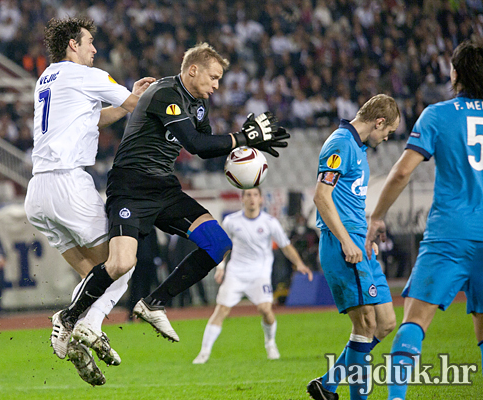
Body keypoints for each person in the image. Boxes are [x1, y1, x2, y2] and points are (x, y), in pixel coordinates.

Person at [55, 42, 290, 360]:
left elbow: (207, 142)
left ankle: (153, 302)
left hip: (164, 188)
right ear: (193, 70)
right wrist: (244, 138)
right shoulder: (165, 93)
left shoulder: (200, 104)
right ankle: (67, 318)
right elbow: (195, 144)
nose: (217, 85)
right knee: (121, 264)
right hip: (131, 185)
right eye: (214, 77)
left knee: (218, 243)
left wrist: (240, 150)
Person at [23, 16, 155, 385]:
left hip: (38, 192)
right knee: (121, 264)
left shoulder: (47, 78)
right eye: (89, 42)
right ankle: (77, 324)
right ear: (72, 45)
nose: (95, 49)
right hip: (70, 185)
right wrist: (144, 97)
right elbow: (136, 104)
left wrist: (129, 102)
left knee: (92, 275)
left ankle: (80, 338)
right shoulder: (85, 75)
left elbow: (92, 119)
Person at [365, 39, 483, 400]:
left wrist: (378, 216)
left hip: (450, 232)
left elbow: (402, 173)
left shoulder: (438, 114)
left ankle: (396, 398)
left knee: (414, 323)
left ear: (455, 73)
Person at [308, 94, 401, 400]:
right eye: (388, 131)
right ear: (379, 121)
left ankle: (328, 383)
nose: (387, 137)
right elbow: (321, 196)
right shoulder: (340, 144)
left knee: (386, 323)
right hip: (342, 244)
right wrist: (348, 241)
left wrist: (365, 236)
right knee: (366, 324)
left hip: (361, 245)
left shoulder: (357, 148)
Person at [193, 188, 313, 364]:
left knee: (265, 309)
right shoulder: (231, 221)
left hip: (259, 274)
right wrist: (221, 267)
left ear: (261, 199)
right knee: (221, 310)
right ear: (242, 199)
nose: (251, 198)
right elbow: (222, 247)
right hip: (236, 273)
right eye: (248, 195)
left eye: (255, 195)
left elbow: (285, 245)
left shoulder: (270, 222)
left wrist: (300, 263)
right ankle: (204, 352)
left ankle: (270, 343)